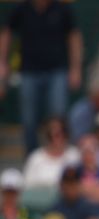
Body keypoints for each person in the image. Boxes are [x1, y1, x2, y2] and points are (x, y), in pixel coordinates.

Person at [0, 0, 83, 155]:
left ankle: (59, 155)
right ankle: (31, 158)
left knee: (58, 117)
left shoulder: (62, 8)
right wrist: (2, 62)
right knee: (28, 119)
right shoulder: (21, 8)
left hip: (57, 71)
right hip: (28, 71)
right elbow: (6, 33)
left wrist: (75, 68)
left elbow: (74, 37)